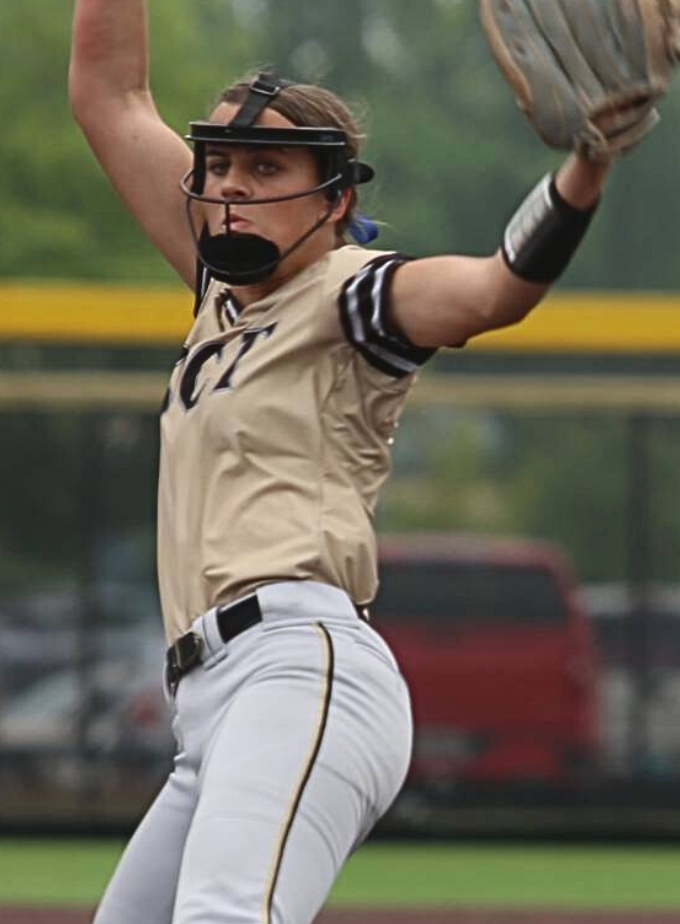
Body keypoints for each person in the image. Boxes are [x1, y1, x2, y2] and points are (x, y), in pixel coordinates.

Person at [68, 0, 624, 920]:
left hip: (299, 668)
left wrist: (585, 167)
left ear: (335, 201)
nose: (231, 183)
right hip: (210, 706)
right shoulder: (223, 296)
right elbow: (109, 93)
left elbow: (496, 289)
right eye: (218, 165)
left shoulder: (354, 293)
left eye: (265, 166)